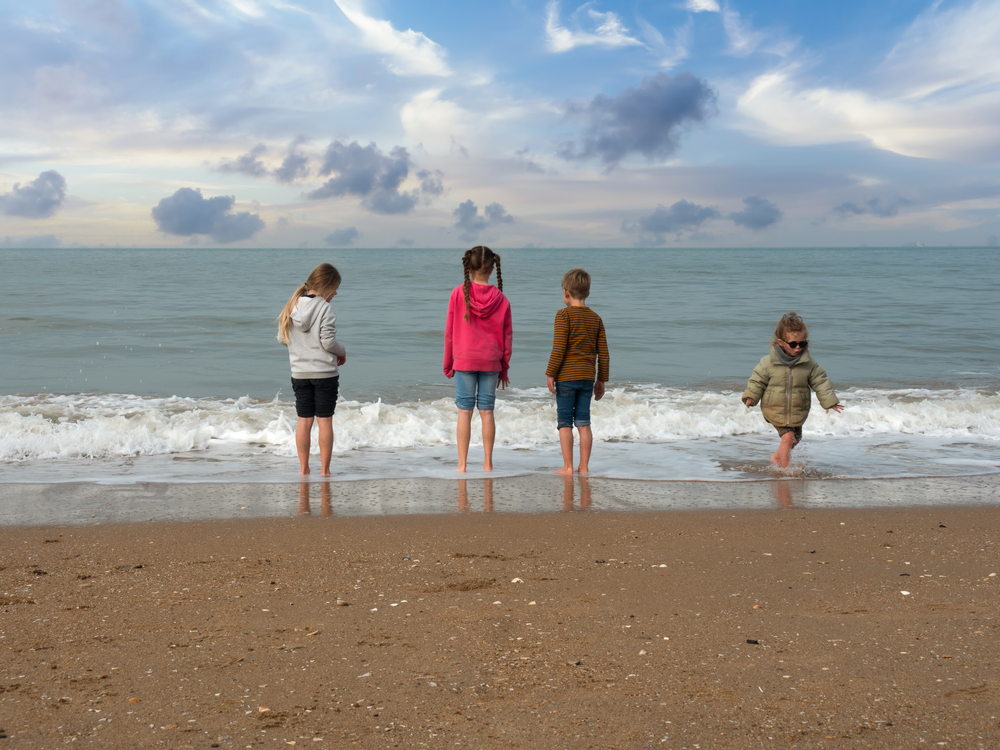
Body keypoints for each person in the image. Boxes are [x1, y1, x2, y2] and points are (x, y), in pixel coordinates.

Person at [742, 312, 844, 469]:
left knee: (794, 440)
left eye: (802, 344)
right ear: (781, 343)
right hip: (775, 409)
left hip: (797, 410)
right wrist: (751, 396)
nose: (798, 348)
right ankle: (786, 470)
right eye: (793, 344)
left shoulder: (809, 364)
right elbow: (757, 380)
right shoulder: (768, 362)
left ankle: (776, 456)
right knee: (788, 438)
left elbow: (821, 382)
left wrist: (829, 402)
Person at [443, 246, 513, 472]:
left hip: (464, 360)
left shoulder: (457, 293)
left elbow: (449, 332)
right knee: (487, 411)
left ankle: (462, 465)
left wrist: (448, 363)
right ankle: (487, 463)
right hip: (491, 362)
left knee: (464, 410)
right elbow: (507, 337)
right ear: (492, 269)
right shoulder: (502, 299)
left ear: (469, 267)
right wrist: (504, 368)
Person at [277, 263, 346, 476]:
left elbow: (282, 338)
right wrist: (342, 351)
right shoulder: (325, 308)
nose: (336, 293)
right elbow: (328, 342)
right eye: (334, 287)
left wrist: (300, 347)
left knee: (304, 420)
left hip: (299, 373)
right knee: (324, 420)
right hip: (324, 373)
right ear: (326, 286)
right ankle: (325, 471)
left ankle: (303, 468)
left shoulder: (292, 306)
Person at [545, 267, 610, 474]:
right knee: (584, 422)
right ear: (588, 293)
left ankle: (568, 466)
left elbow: (559, 347)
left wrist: (550, 373)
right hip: (587, 379)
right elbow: (604, 353)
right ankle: (584, 467)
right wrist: (601, 380)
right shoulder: (596, 318)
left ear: (566, 292)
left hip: (566, 378)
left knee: (564, 422)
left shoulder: (563, 315)